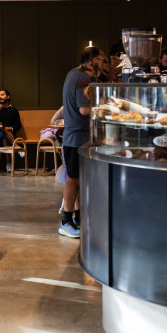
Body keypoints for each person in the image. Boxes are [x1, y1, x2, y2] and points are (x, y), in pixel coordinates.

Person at [59, 47, 100, 238]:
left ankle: (77, 218)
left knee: (78, 180)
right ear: (92, 60)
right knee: (73, 180)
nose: (104, 64)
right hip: (76, 137)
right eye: (102, 60)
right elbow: (84, 109)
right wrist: (105, 110)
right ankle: (66, 221)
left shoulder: (72, 74)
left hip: (74, 137)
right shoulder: (83, 78)